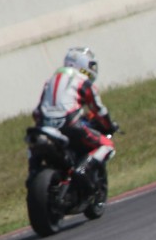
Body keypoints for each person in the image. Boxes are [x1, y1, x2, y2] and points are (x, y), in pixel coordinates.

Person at [32, 47, 119, 185]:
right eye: (91, 66)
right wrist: (109, 126)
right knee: (107, 145)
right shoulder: (82, 80)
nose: (92, 69)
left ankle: (33, 172)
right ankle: (83, 169)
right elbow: (98, 109)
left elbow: (37, 112)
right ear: (82, 64)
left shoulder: (50, 81)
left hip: (44, 125)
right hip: (69, 124)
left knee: (34, 144)